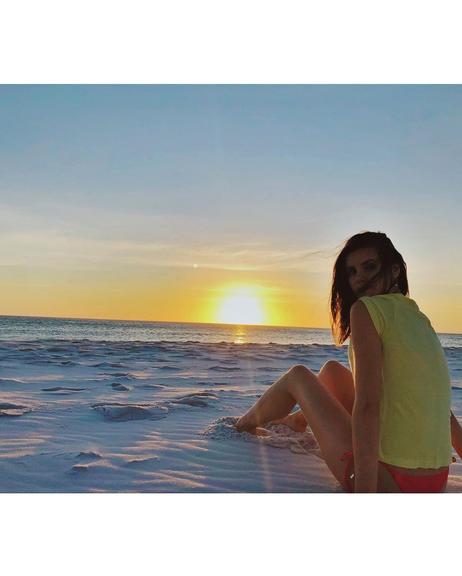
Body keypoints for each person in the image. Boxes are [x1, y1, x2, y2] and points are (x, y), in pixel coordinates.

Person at [235, 231, 462, 492]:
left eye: (370, 267)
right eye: (351, 272)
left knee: (297, 376)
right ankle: (299, 420)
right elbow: (437, 402)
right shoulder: (420, 319)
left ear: (395, 269)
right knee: (331, 371)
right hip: (434, 483)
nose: (359, 278)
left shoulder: (365, 309)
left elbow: (367, 406)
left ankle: (243, 425)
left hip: (390, 482)